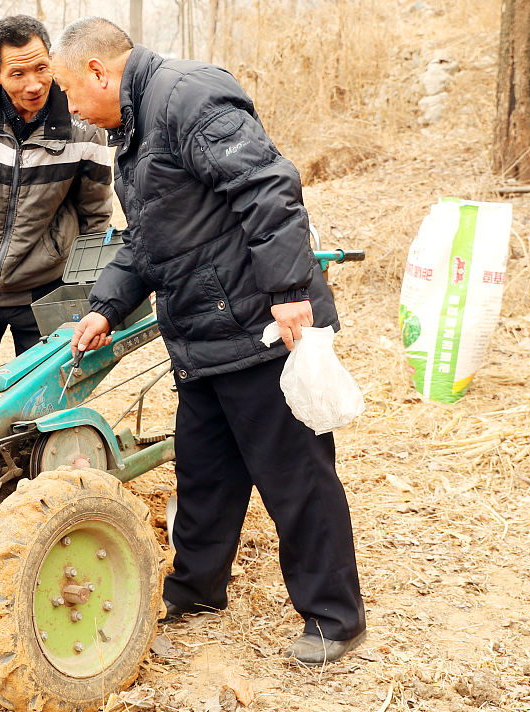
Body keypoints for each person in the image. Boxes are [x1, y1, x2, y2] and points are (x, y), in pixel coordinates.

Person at [53, 17, 367, 666]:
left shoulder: (188, 95)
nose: (69, 107)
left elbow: (267, 186)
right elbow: (148, 239)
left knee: (295, 478)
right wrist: (107, 305)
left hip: (258, 328)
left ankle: (335, 619)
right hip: (202, 340)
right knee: (205, 477)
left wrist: (287, 291)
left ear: (97, 72)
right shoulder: (134, 137)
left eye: (68, 91)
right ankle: (195, 591)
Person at [0, 14, 113, 397]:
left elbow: (95, 214)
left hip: (44, 291)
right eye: (18, 74)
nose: (34, 84)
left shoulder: (83, 123)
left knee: (45, 401)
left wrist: (85, 288)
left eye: (43, 68)